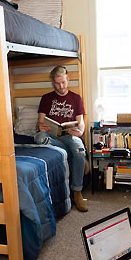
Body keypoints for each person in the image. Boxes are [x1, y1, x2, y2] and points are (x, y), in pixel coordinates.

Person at [36, 65, 88, 212]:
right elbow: (40, 121)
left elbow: (81, 122)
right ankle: (77, 159)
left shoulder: (76, 98)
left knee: (78, 148)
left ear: (68, 79)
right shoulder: (46, 98)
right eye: (57, 83)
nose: (61, 86)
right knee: (40, 138)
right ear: (53, 83)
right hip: (52, 136)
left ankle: (77, 192)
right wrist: (41, 125)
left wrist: (80, 131)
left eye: (63, 82)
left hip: (69, 135)